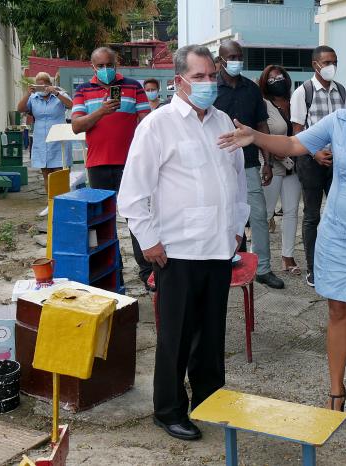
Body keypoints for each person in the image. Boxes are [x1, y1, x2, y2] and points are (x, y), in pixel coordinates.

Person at [219, 58, 346, 435]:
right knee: (338, 310)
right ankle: (336, 390)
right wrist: (256, 136)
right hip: (339, 234)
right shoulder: (340, 122)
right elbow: (295, 143)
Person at [117, 45, 249, 441]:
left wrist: (239, 225)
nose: (209, 83)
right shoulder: (157, 125)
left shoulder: (224, 120)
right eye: (200, 77)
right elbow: (132, 193)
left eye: (213, 75)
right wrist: (149, 240)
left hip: (219, 246)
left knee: (211, 332)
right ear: (179, 81)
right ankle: (169, 409)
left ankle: (210, 398)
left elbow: (237, 177)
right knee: (176, 334)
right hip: (176, 250)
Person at [71, 46, 153, 291]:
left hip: (131, 163)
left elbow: (146, 122)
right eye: (101, 66)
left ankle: (148, 272)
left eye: (110, 64)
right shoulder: (83, 90)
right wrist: (101, 111)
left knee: (137, 217)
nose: (106, 70)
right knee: (103, 222)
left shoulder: (133, 87)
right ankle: (111, 271)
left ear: (116, 64)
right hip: (98, 164)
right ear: (93, 67)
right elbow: (76, 126)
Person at [214, 40, 284, 290]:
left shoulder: (252, 90)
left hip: (250, 163)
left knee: (258, 216)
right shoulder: (212, 89)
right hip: (218, 164)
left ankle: (263, 268)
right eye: (231, 57)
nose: (236, 61)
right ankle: (227, 262)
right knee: (223, 217)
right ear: (220, 60)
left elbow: (262, 126)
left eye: (239, 56)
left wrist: (268, 161)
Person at [291, 45, 346, 287]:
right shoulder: (303, 92)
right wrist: (315, 152)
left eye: (334, 61)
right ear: (315, 64)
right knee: (312, 216)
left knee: (339, 213)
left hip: (336, 161)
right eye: (326, 62)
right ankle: (313, 268)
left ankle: (337, 263)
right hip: (311, 161)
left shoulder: (342, 91)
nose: (331, 67)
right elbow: (297, 130)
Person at [258, 65, 302, 275]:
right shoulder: (263, 104)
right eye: (273, 78)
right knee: (266, 213)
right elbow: (261, 133)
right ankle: (259, 259)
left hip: (293, 167)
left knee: (292, 212)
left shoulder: (294, 102)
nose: (278, 80)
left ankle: (288, 257)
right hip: (273, 166)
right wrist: (276, 153)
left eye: (281, 77)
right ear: (265, 82)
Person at [17, 72, 73, 194]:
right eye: (38, 86)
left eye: (43, 86)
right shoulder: (33, 98)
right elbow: (20, 109)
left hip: (59, 139)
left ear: (49, 84)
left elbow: (70, 105)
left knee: (60, 172)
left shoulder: (60, 94)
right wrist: (28, 93)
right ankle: (50, 202)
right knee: (46, 173)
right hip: (41, 139)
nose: (41, 89)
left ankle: (62, 200)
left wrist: (56, 92)